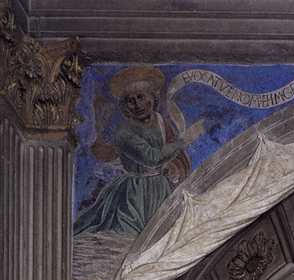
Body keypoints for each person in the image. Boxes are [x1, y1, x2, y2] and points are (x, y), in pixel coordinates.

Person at [75, 66, 206, 237]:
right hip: (134, 193)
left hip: (160, 188)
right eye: (130, 100)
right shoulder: (124, 133)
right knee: (130, 237)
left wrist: (170, 166)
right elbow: (152, 158)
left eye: (140, 97)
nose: (137, 104)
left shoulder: (160, 121)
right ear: (125, 106)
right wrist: (186, 140)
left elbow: (170, 152)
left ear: (152, 97)